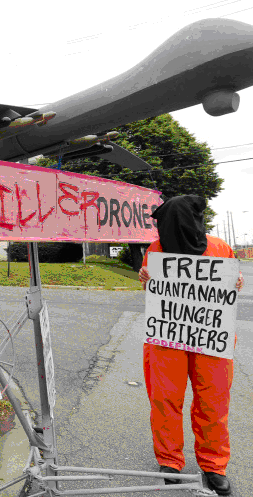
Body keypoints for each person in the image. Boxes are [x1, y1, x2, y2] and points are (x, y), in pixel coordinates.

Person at [138, 195, 244, 495]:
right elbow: (152, 284)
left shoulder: (220, 247)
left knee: (213, 401)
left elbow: (231, 282)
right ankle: (170, 461)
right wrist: (144, 277)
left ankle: (213, 465)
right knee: (165, 400)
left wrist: (236, 283)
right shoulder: (156, 249)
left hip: (212, 339)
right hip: (167, 338)